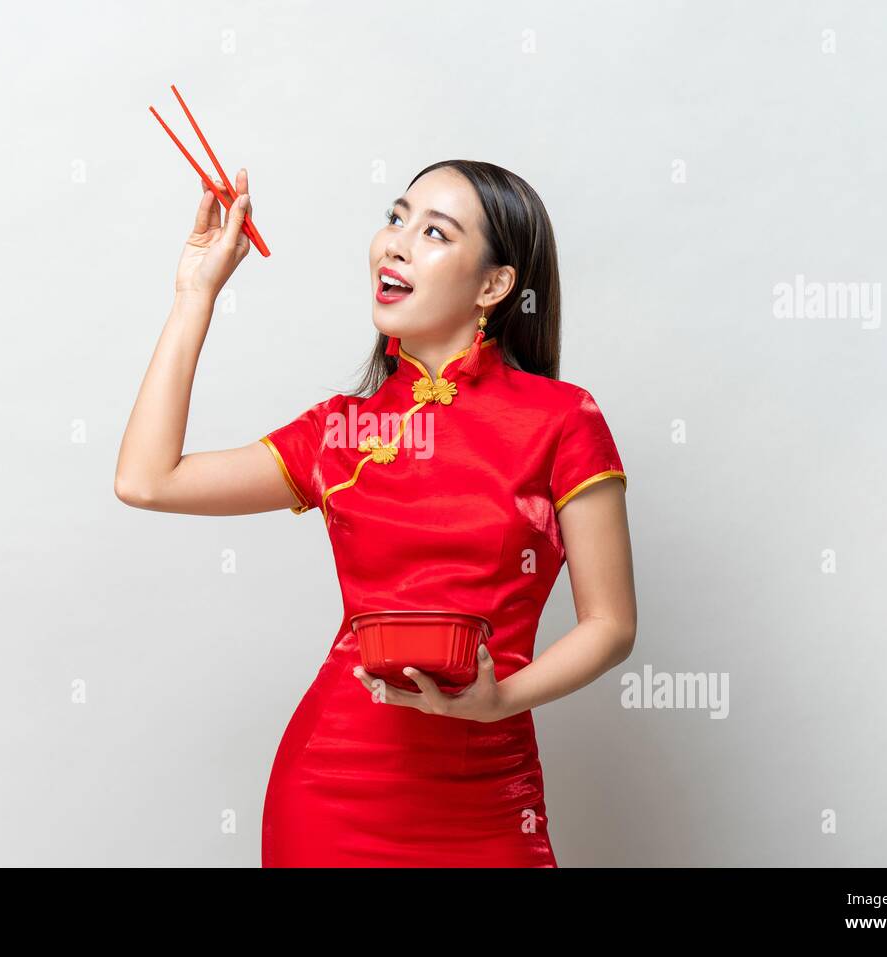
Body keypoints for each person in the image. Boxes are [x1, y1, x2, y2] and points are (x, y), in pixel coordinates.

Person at [115, 160, 637, 867]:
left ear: (494, 285)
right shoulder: (338, 430)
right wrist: (194, 294)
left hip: (488, 795)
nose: (394, 243)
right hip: (332, 788)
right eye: (396, 218)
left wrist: (499, 699)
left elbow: (611, 625)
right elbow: (148, 480)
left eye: (433, 232)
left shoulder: (563, 420)